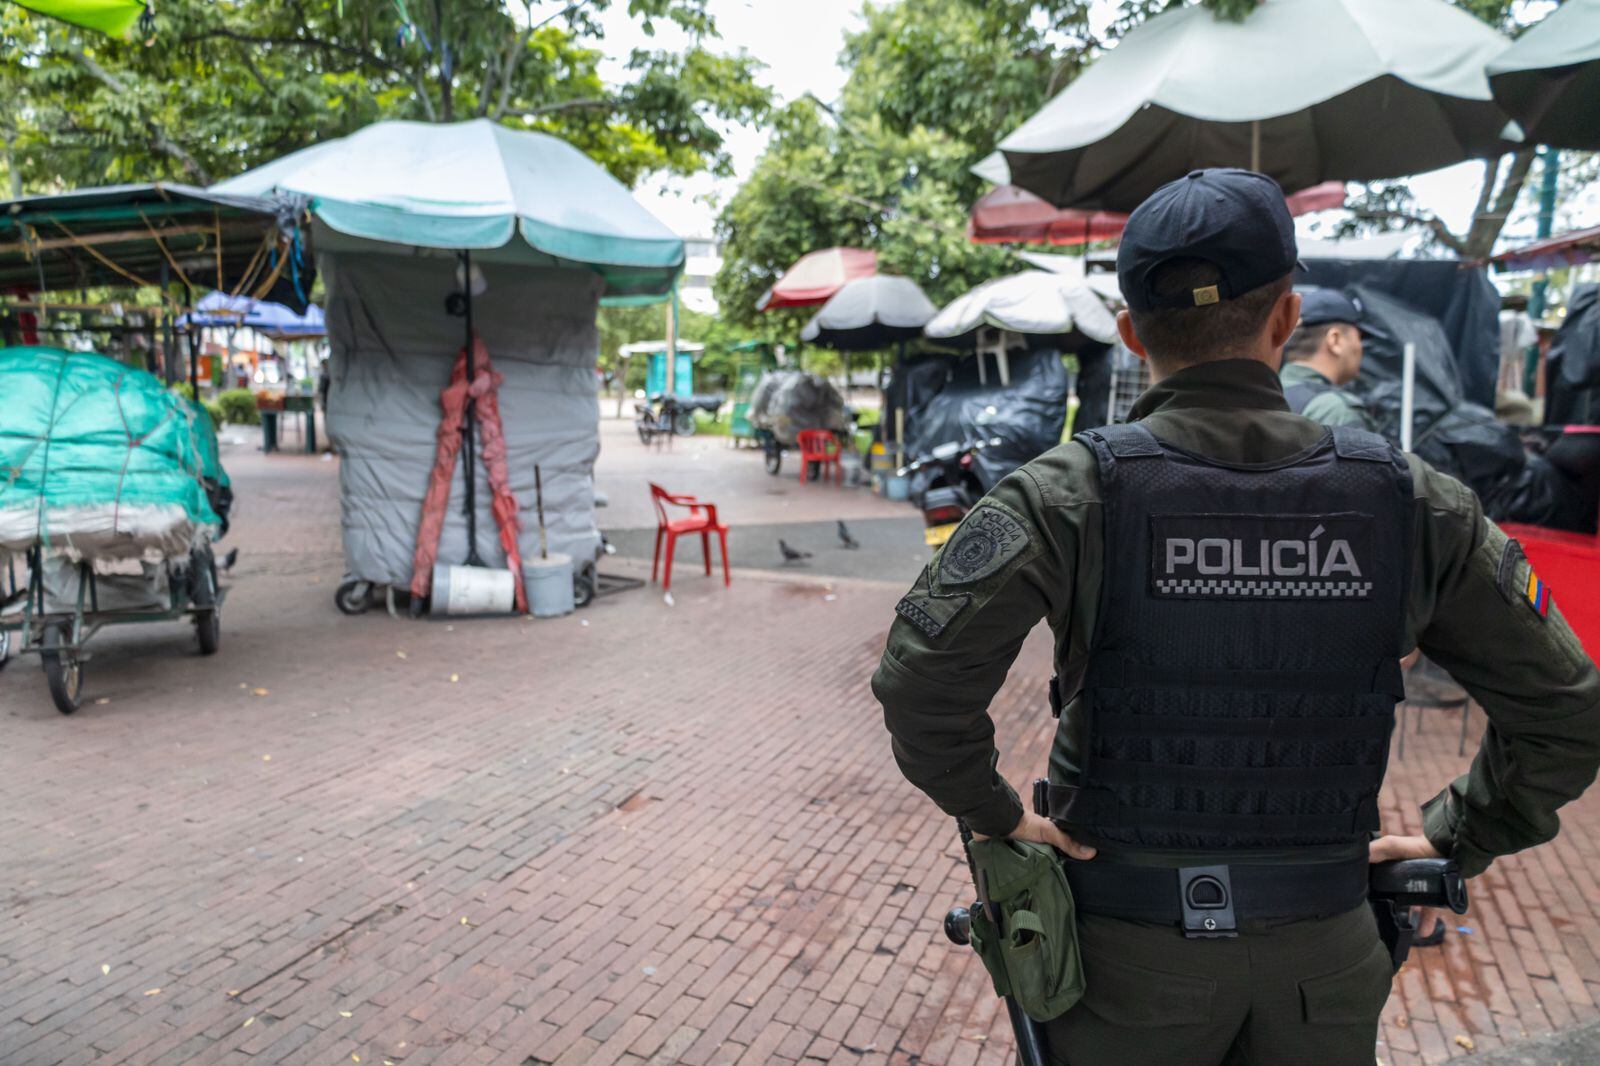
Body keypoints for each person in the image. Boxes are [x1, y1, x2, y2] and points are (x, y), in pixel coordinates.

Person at [872, 168, 1600, 1066]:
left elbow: (919, 682)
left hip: (1123, 967)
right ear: (1288, 319)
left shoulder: (1066, 491)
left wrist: (996, 813)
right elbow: (1567, 711)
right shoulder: (1414, 501)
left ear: (1132, 333)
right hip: (1324, 965)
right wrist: (1462, 832)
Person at [1278, 287, 1378, 430]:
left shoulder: (1260, 395)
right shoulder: (1336, 411)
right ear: (1335, 340)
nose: (1361, 347)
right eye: (1359, 337)